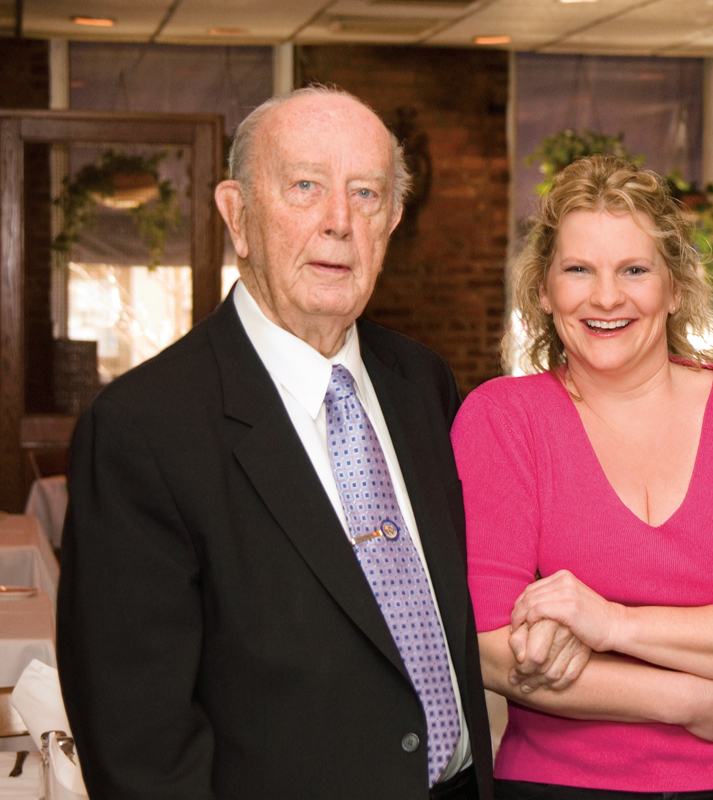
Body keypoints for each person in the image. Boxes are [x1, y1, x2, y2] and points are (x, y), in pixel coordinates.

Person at [57, 86, 494, 800]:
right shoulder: (144, 429)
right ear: (238, 215)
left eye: (366, 194)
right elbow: (139, 748)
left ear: (391, 223)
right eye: (304, 187)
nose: (338, 223)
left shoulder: (423, 384)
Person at [451, 155, 713, 799]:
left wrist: (611, 624)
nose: (606, 297)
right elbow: (494, 648)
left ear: (674, 286)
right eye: (578, 270)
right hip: (559, 786)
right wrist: (687, 700)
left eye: (634, 270)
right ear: (544, 289)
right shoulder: (500, 420)